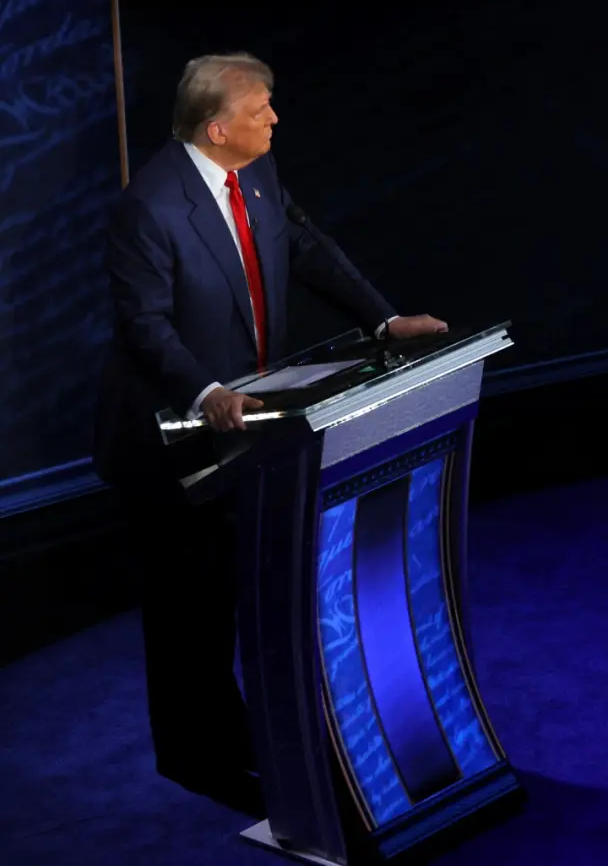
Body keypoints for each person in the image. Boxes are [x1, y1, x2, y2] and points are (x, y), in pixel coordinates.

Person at [93, 53, 448, 814]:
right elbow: (144, 326)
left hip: (247, 428)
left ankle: (238, 735)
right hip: (172, 438)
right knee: (188, 606)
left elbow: (311, 251)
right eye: (262, 110)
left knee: (232, 586)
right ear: (217, 128)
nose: (275, 120)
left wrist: (383, 320)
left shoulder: (256, 177)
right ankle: (196, 758)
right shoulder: (149, 208)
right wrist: (207, 388)